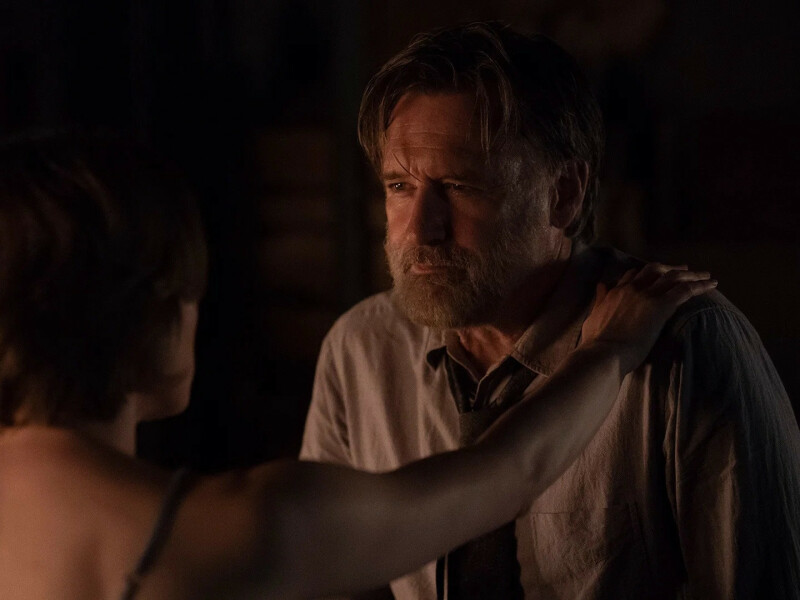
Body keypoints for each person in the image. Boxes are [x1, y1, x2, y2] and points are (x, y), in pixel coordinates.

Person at [0, 132, 714, 600]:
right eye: (191, 293)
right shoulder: (250, 526)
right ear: (153, 312)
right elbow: (511, 473)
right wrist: (611, 350)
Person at [300, 21, 800, 600]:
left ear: (562, 195)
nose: (421, 229)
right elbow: (320, 572)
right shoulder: (361, 349)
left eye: (460, 187)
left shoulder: (687, 346)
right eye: (399, 187)